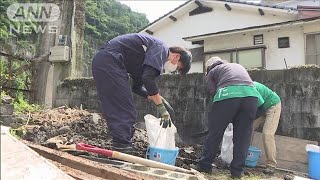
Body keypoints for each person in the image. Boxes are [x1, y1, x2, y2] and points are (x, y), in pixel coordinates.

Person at [91, 33, 192, 152]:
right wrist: (162, 108)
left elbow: (137, 87)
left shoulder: (147, 58)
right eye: (178, 67)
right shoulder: (161, 48)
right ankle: (122, 147)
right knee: (124, 108)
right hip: (110, 60)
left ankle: (121, 144)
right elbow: (148, 78)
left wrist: (156, 97)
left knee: (121, 105)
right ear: (177, 57)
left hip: (107, 61)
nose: (174, 68)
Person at [193, 57, 264, 178]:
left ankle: (205, 165)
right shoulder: (237, 66)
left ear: (209, 68)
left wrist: (220, 118)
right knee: (243, 137)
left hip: (228, 94)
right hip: (251, 97)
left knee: (215, 134)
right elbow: (261, 107)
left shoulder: (212, 71)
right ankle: (237, 171)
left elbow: (213, 91)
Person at [253, 81, 281, 174]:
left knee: (267, 134)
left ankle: (271, 165)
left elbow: (258, 108)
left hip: (272, 105)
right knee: (246, 130)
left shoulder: (252, 88)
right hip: (261, 106)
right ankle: (243, 158)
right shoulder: (239, 90)